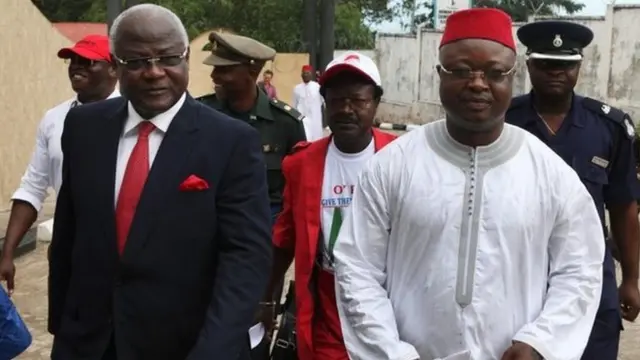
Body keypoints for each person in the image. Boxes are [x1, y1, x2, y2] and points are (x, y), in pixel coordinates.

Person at [333, 8, 604, 360]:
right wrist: (391, 353)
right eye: (460, 71)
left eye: (495, 72)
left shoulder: (551, 175)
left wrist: (542, 343)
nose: (478, 83)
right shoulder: (391, 167)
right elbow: (357, 268)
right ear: (439, 74)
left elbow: (580, 269)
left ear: (512, 77)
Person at [47, 4, 272, 360]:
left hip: (186, 345)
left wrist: (213, 351)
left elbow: (245, 258)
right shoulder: (83, 128)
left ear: (185, 58)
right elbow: (68, 236)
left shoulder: (230, 142)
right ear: (116, 65)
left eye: (168, 58)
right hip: (89, 342)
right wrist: (62, 328)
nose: (154, 72)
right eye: (137, 62)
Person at [506, 20, 640, 360]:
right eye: (546, 63)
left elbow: (624, 207)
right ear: (529, 65)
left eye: (565, 64)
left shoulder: (609, 127)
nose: (556, 72)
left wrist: (631, 278)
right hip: (517, 280)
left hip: (591, 284)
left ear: (579, 66)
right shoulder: (503, 122)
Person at [262, 52, 396, 360]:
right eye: (336, 100)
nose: (346, 110)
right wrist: (265, 301)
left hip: (391, 304)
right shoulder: (301, 163)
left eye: (357, 100)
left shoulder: (401, 156)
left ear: (375, 102)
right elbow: (284, 239)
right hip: (327, 306)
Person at [0, 34, 119, 293]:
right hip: (68, 251)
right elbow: (32, 188)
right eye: (72, 61)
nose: (76, 66)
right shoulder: (54, 119)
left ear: (114, 69)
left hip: (121, 251)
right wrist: (7, 252)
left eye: (87, 62)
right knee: (66, 329)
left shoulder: (134, 115)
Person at [197, 31, 306, 223]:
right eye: (215, 69)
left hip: (267, 229)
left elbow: (298, 189)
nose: (214, 76)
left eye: (224, 70)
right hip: (211, 227)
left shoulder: (286, 123)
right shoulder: (202, 115)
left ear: (252, 71)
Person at [293, 65, 324, 141]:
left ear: (311, 74)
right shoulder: (297, 88)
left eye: (307, 73)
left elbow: (324, 101)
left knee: (316, 140)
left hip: (315, 119)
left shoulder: (318, 87)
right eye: (304, 73)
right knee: (304, 138)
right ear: (301, 75)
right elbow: (294, 105)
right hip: (303, 118)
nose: (305, 75)